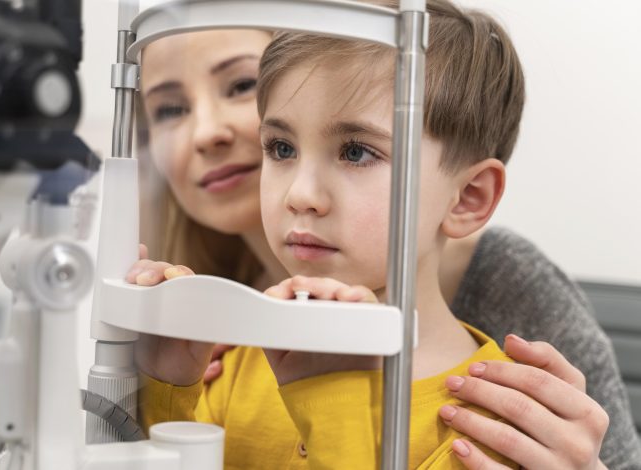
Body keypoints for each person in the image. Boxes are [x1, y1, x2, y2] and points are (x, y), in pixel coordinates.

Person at [131, 3, 641, 468]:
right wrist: (164, 388)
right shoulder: (238, 363)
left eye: (356, 152)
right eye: (281, 148)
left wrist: (332, 397)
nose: (300, 194)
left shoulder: (502, 425)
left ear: (468, 198)